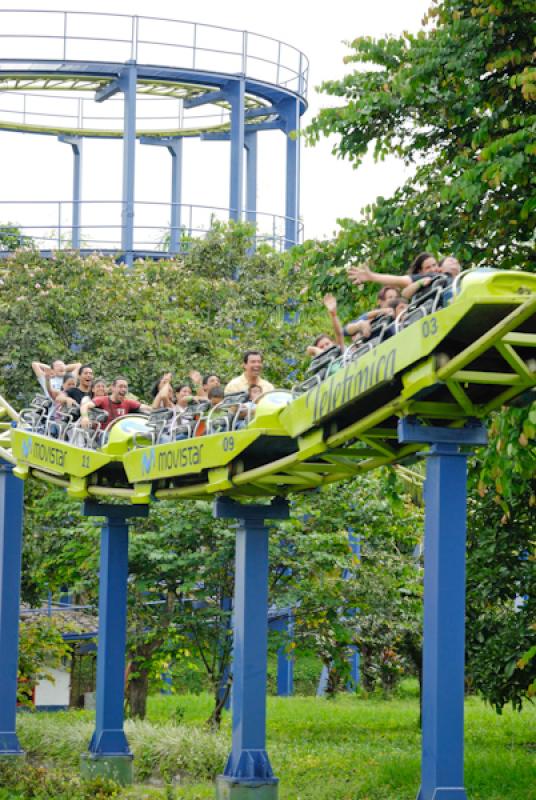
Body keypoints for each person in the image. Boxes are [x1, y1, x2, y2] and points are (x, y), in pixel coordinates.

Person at [80, 376, 151, 430]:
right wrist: (85, 417)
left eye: (125, 387)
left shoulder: (128, 402)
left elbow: (146, 407)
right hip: (105, 435)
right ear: (112, 388)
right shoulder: (102, 399)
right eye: (120, 386)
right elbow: (84, 406)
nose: (123, 389)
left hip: (122, 435)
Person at [348, 252, 439, 290]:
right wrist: (372, 277)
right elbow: (401, 280)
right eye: (428, 267)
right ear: (420, 272)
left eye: (434, 265)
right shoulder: (423, 279)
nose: (433, 269)